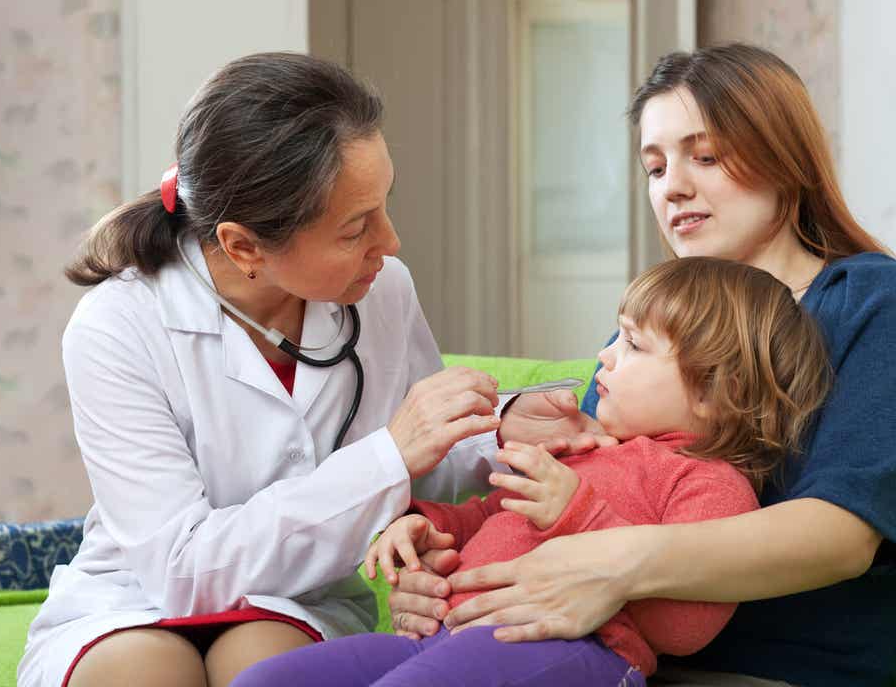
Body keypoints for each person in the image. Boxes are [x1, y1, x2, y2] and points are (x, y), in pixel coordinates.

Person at [386, 43, 896, 687]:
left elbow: (841, 535)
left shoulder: (874, 301)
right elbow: (568, 501)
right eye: (654, 166)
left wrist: (616, 563)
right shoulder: (650, 335)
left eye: (705, 156)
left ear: (785, 158)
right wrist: (444, 575)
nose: (673, 186)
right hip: (594, 654)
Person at [17, 52, 599, 687]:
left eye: (384, 205)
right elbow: (181, 572)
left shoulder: (382, 290)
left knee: (267, 665)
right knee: (142, 673)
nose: (391, 243)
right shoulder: (117, 325)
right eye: (356, 229)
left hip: (298, 600)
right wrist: (389, 454)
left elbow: (422, 475)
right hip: (131, 600)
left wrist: (500, 435)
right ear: (244, 247)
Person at [229, 256, 835, 687]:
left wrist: (578, 513)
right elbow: (485, 517)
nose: (605, 354)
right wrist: (424, 527)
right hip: (447, 637)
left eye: (632, 344)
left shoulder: (709, 483)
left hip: (577, 654)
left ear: (713, 391)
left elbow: (685, 627)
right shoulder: (582, 449)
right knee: (265, 681)